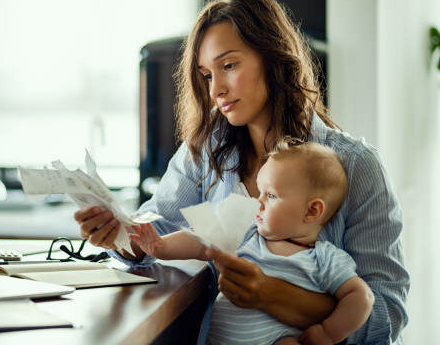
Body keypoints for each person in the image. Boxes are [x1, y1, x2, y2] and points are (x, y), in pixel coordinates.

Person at [73, 0, 409, 344]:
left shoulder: (355, 165)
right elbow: (153, 230)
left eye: (229, 66)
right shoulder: (205, 150)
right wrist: (120, 234)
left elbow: (386, 316)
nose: (216, 89)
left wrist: (270, 294)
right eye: (206, 75)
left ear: (273, 58)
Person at [129, 141, 374, 344]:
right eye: (259, 192)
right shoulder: (247, 234)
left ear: (311, 211)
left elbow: (361, 297)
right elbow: (200, 240)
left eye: (271, 195)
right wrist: (161, 246)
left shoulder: (325, 259)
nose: (258, 202)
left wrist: (327, 333)